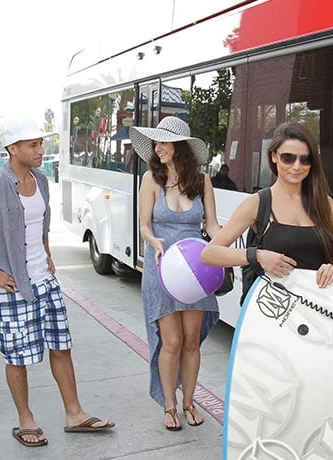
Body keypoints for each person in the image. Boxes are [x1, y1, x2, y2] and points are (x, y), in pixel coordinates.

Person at [0, 117, 115, 447]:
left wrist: (48, 253)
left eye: (41, 143)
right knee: (17, 357)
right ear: (13, 149)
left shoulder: (41, 180)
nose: (41, 150)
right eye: (33, 145)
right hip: (13, 288)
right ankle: (26, 420)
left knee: (62, 348)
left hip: (46, 283)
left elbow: (41, 223)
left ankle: (75, 414)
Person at [201, 121, 333, 291]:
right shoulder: (258, 203)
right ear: (274, 156)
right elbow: (210, 253)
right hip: (272, 308)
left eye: (305, 159)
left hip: (315, 306)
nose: (297, 166)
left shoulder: (323, 203)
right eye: (288, 158)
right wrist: (258, 255)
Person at [129, 116, 221, 431]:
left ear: (180, 146)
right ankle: (169, 405)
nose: (158, 148)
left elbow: (211, 225)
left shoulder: (202, 180)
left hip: (197, 271)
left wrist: (230, 244)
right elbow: (144, 225)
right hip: (162, 268)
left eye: (164, 142)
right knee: (171, 342)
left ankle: (189, 401)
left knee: (192, 340)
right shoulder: (150, 180)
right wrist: (153, 240)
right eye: (156, 143)